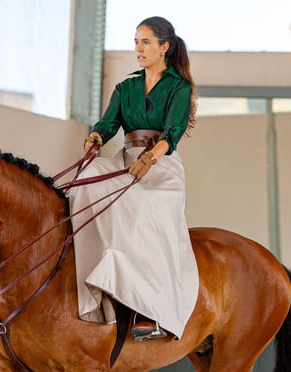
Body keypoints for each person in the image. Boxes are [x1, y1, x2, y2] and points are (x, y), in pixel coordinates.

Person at [68, 16, 199, 342]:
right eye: (136, 42)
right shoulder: (125, 88)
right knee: (84, 183)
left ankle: (151, 309)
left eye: (145, 43)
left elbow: (173, 134)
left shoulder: (178, 88)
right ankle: (93, 288)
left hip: (160, 167)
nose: (138, 49)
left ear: (164, 47)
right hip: (126, 161)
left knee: (144, 205)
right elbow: (108, 123)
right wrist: (97, 136)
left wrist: (148, 159)